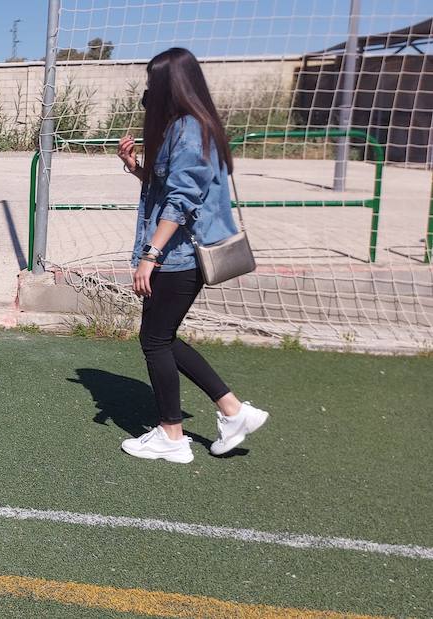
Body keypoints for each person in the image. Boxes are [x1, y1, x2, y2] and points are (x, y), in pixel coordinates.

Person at [115, 48, 270, 463]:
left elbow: (182, 201)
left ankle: (172, 436)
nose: (147, 93)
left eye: (152, 84)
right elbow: (170, 187)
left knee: (154, 340)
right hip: (176, 254)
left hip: (179, 256)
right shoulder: (189, 127)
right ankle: (234, 411)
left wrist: (151, 254)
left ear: (171, 86)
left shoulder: (188, 128)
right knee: (163, 337)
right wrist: (134, 167)